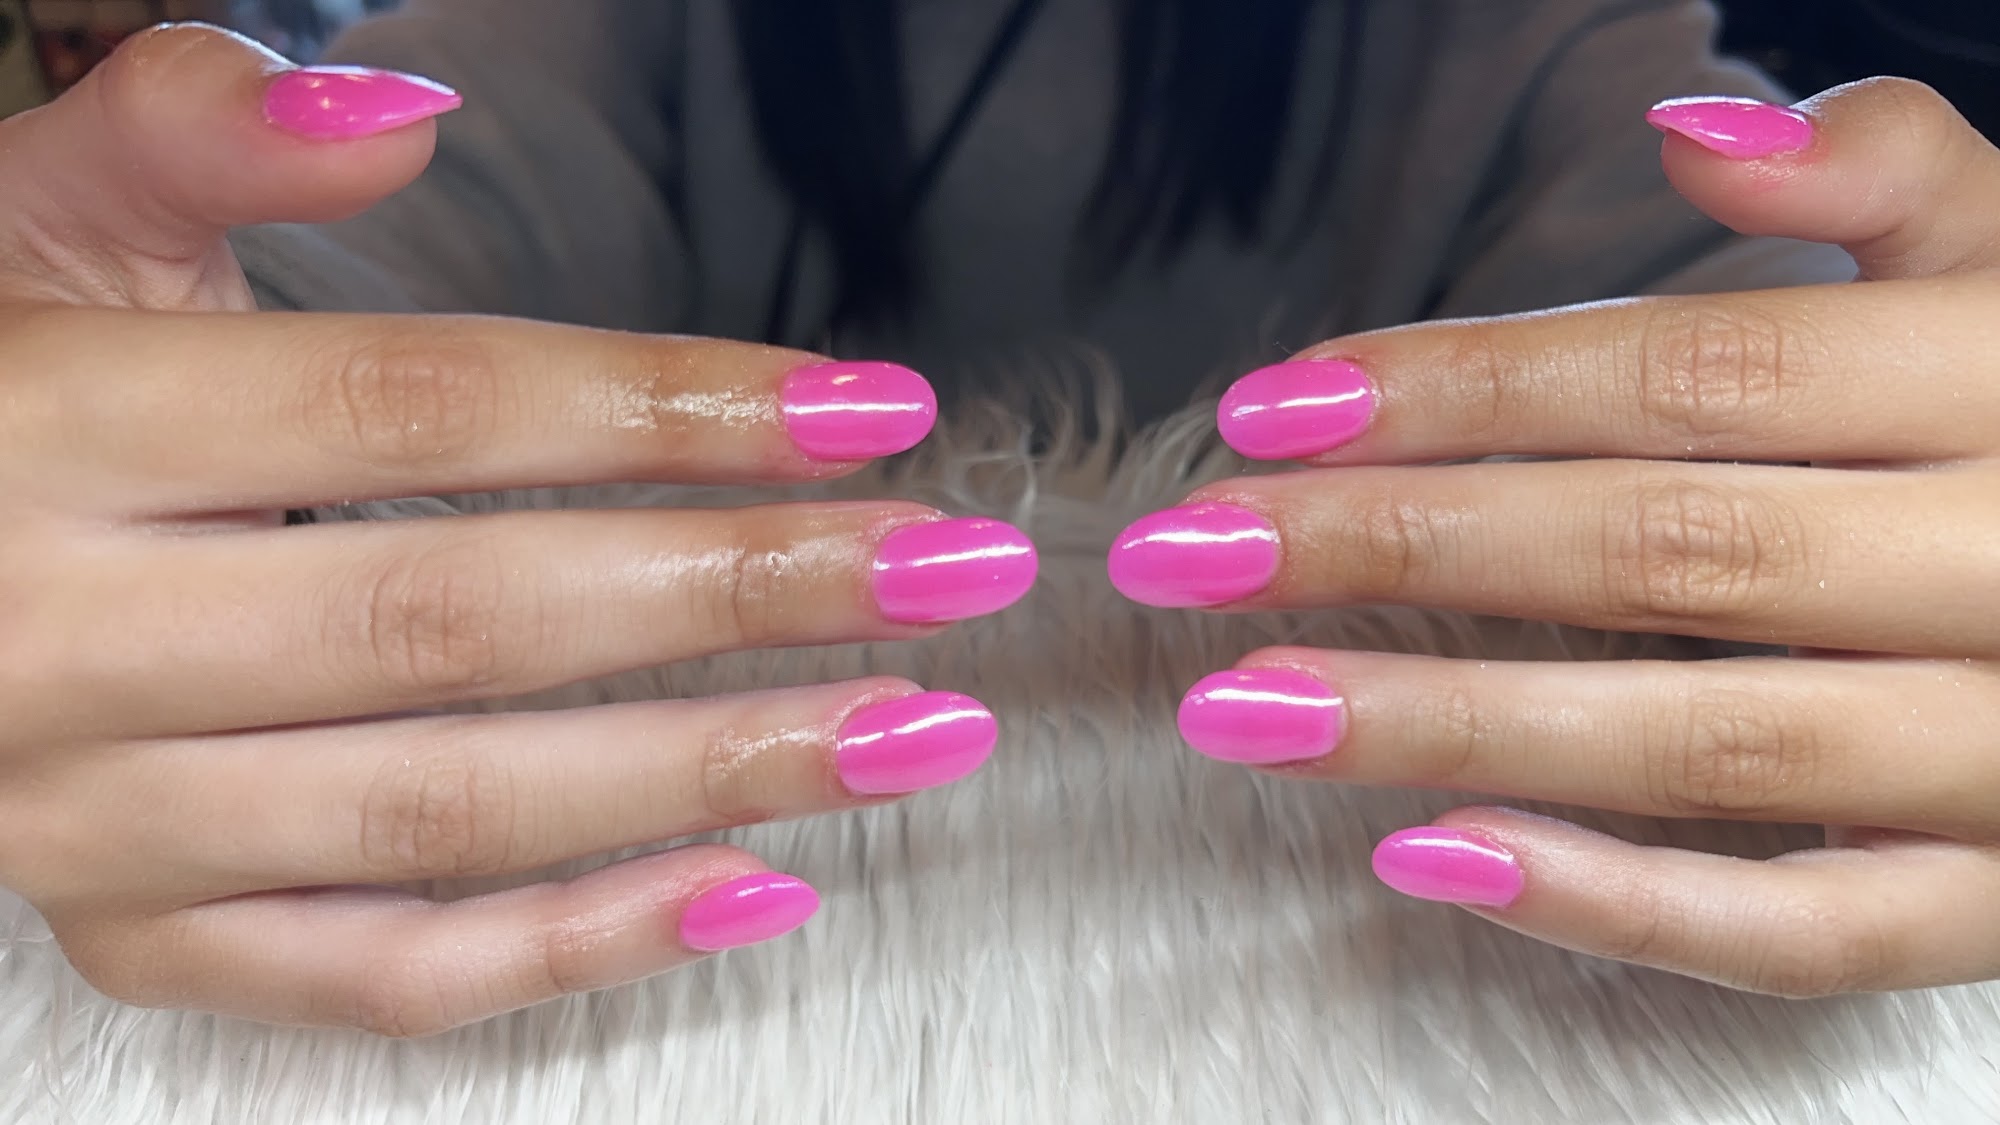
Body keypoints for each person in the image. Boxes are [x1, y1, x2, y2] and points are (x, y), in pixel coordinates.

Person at [0, 0, 1994, 1034]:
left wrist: (1913, 455)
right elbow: (327, 315)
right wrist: (115, 426)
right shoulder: (614, 33)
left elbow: (1772, 350)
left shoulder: (1518, 43)